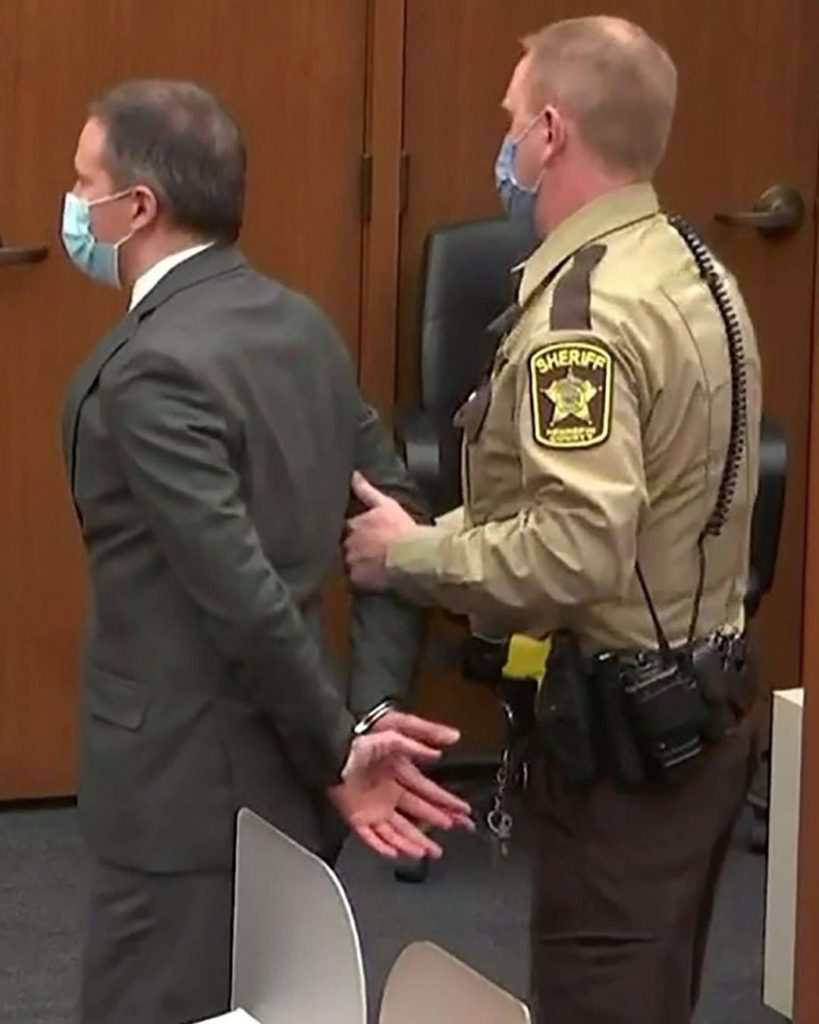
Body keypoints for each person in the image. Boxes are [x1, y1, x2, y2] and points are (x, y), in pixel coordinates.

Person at [345, 16, 762, 1024]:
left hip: (625, 743)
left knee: (600, 998)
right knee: (652, 985)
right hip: (698, 708)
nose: (504, 147)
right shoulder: (689, 264)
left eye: (510, 123)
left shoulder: (583, 320)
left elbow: (574, 551)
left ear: (550, 131)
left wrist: (411, 554)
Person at [59, 79, 472, 1024]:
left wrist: (343, 749)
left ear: (138, 206)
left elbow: (239, 592)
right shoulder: (301, 327)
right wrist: (366, 708)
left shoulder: (147, 369)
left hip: (181, 794)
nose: (73, 204)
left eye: (84, 183)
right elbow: (393, 521)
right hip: (288, 777)